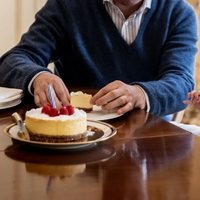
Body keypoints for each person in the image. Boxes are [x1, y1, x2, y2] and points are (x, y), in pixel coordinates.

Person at [0, 0, 198, 118]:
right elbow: (13, 60)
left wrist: (139, 94)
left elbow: (182, 84)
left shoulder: (179, 13)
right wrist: (38, 77)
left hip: (149, 141)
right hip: (78, 136)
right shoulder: (66, 6)